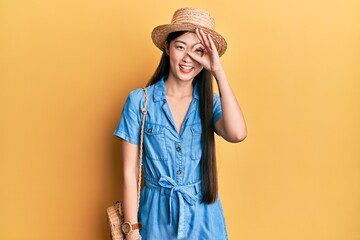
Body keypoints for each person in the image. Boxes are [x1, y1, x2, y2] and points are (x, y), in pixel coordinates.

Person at [113, 7, 247, 240]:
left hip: (204, 217)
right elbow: (129, 171)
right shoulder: (140, 101)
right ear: (167, 48)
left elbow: (237, 134)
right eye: (180, 47)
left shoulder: (210, 103)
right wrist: (131, 229)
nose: (188, 58)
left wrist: (217, 70)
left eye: (198, 51)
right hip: (155, 216)